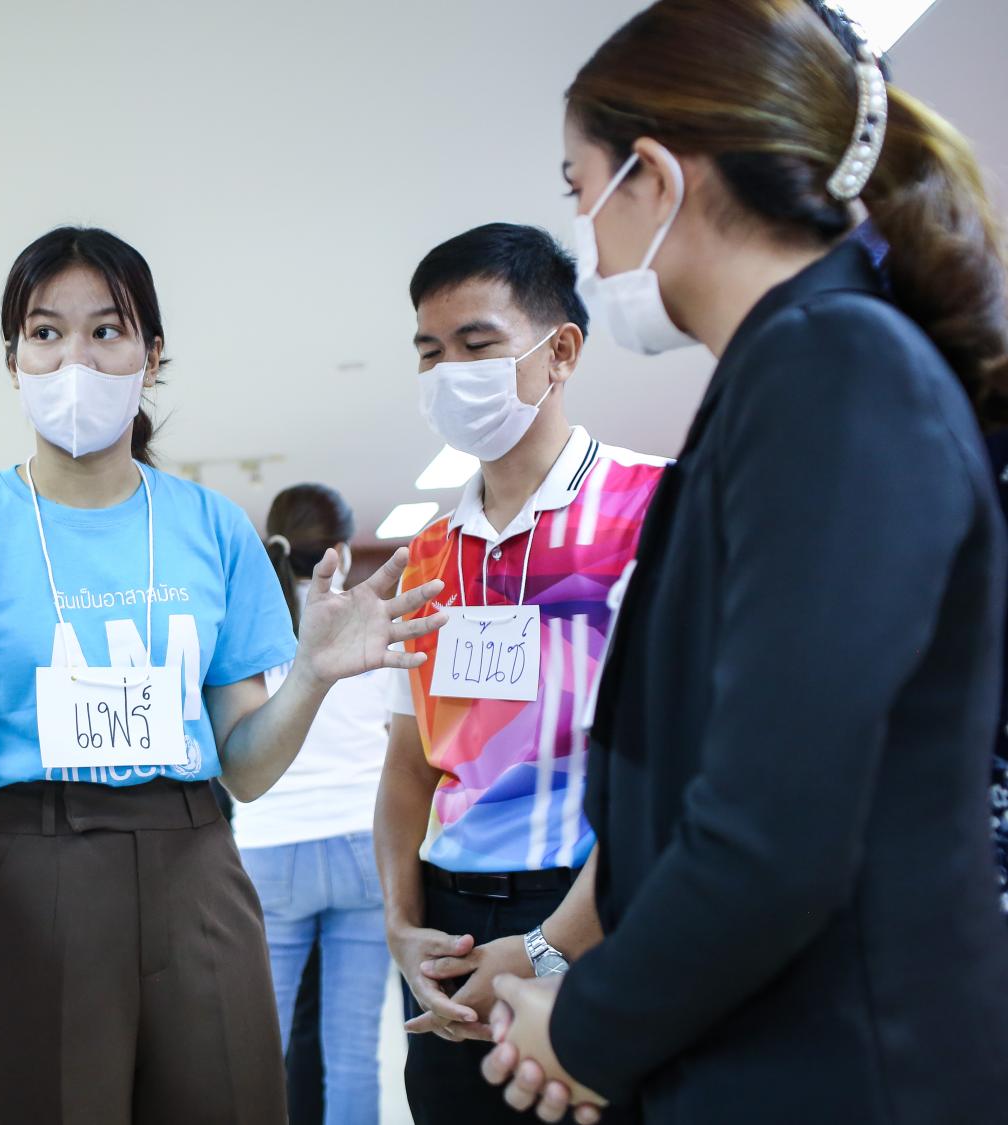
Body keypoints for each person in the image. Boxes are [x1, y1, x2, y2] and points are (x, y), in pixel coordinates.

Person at [478, 2, 1008, 1121]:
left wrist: (581, 1026)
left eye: (582, 194)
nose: (587, 242)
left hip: (847, 1070)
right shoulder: (786, 373)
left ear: (655, 179)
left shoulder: (833, 370)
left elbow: (774, 832)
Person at [0, 226, 445, 1124]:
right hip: (37, 865)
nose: (75, 359)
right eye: (46, 332)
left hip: (196, 862)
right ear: (12, 358)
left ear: (151, 353)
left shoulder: (213, 528)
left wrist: (314, 675)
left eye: (106, 331)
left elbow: (244, 764)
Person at [374, 222, 664, 1124]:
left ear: (560, 350)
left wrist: (546, 947)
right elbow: (411, 763)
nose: (448, 372)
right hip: (451, 915)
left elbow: (681, 774)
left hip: (598, 905)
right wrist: (400, 923)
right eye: (429, 351)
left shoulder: (657, 508)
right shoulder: (427, 555)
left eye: (476, 343)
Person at [235, 484, 403, 1125]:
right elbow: (394, 737)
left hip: (270, 849)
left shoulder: (251, 620)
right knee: (355, 1054)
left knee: (258, 1049)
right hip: (364, 842)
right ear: (341, 547)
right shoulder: (367, 615)